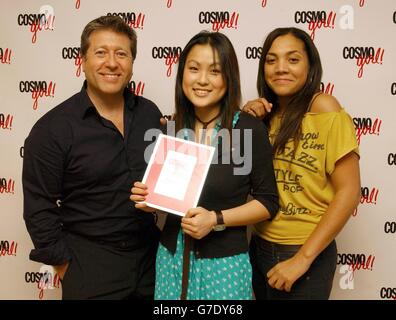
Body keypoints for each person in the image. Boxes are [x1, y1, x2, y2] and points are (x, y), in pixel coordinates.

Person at [130, 31, 279, 300]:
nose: (201, 80)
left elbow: (268, 202)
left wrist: (216, 219)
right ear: (182, 75)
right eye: (194, 69)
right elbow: (171, 197)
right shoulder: (172, 130)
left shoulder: (247, 129)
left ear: (228, 77)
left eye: (214, 71)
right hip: (171, 260)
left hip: (225, 265)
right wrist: (150, 199)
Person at [22, 15, 163, 300]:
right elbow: (38, 206)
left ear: (132, 64)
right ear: (82, 60)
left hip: (153, 261)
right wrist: (66, 267)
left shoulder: (150, 114)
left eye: (121, 54)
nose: (112, 62)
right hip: (90, 266)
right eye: (101, 52)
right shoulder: (53, 129)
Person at [244, 27, 361, 300]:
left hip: (304, 251)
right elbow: (236, 176)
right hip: (259, 246)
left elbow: (349, 191)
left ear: (310, 66)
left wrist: (302, 259)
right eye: (271, 60)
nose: (281, 68)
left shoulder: (325, 108)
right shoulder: (265, 116)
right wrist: (246, 120)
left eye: (293, 59)